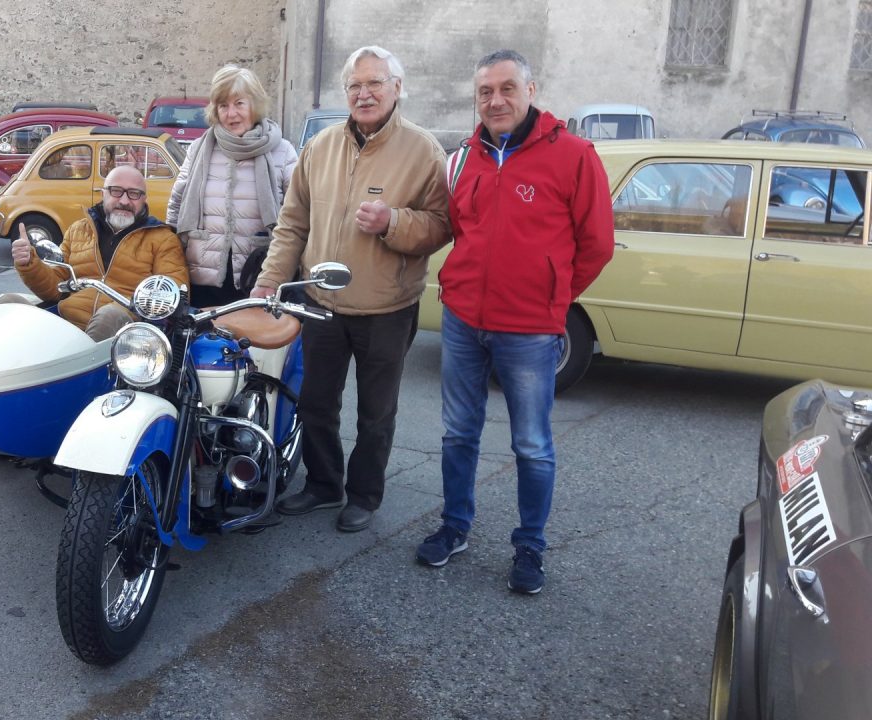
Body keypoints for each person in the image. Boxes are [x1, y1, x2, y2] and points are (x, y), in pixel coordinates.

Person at [415, 50, 614, 594]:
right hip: (462, 320)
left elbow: (596, 245)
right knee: (459, 432)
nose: (496, 100)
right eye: (485, 92)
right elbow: (460, 226)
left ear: (531, 88)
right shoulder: (464, 158)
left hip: (528, 330)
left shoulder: (573, 156)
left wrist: (552, 299)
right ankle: (455, 526)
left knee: (531, 444)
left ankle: (530, 546)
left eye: (507, 88)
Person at [250, 46, 449, 533]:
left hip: (387, 307)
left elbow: (442, 226)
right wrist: (268, 283)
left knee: (376, 412)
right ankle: (323, 484)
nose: (364, 93)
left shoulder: (424, 151)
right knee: (316, 401)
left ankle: (364, 494)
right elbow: (293, 224)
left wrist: (393, 222)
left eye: (375, 83)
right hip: (321, 303)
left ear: (396, 88)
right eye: (355, 85)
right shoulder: (320, 148)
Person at [166, 65, 297, 308]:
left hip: (258, 274)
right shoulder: (199, 149)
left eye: (239, 103)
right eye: (223, 106)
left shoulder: (282, 151)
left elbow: (297, 214)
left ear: (254, 105)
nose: (231, 113)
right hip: (202, 272)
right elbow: (177, 203)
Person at [10, 165, 188, 341]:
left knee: (108, 316)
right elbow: (55, 288)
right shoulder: (78, 230)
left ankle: (81, 365)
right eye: (116, 191)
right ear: (103, 193)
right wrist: (29, 263)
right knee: (8, 304)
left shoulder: (163, 238)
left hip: (124, 335)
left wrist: (138, 303)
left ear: (144, 199)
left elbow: (172, 293)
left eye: (134, 194)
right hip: (67, 324)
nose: (124, 201)